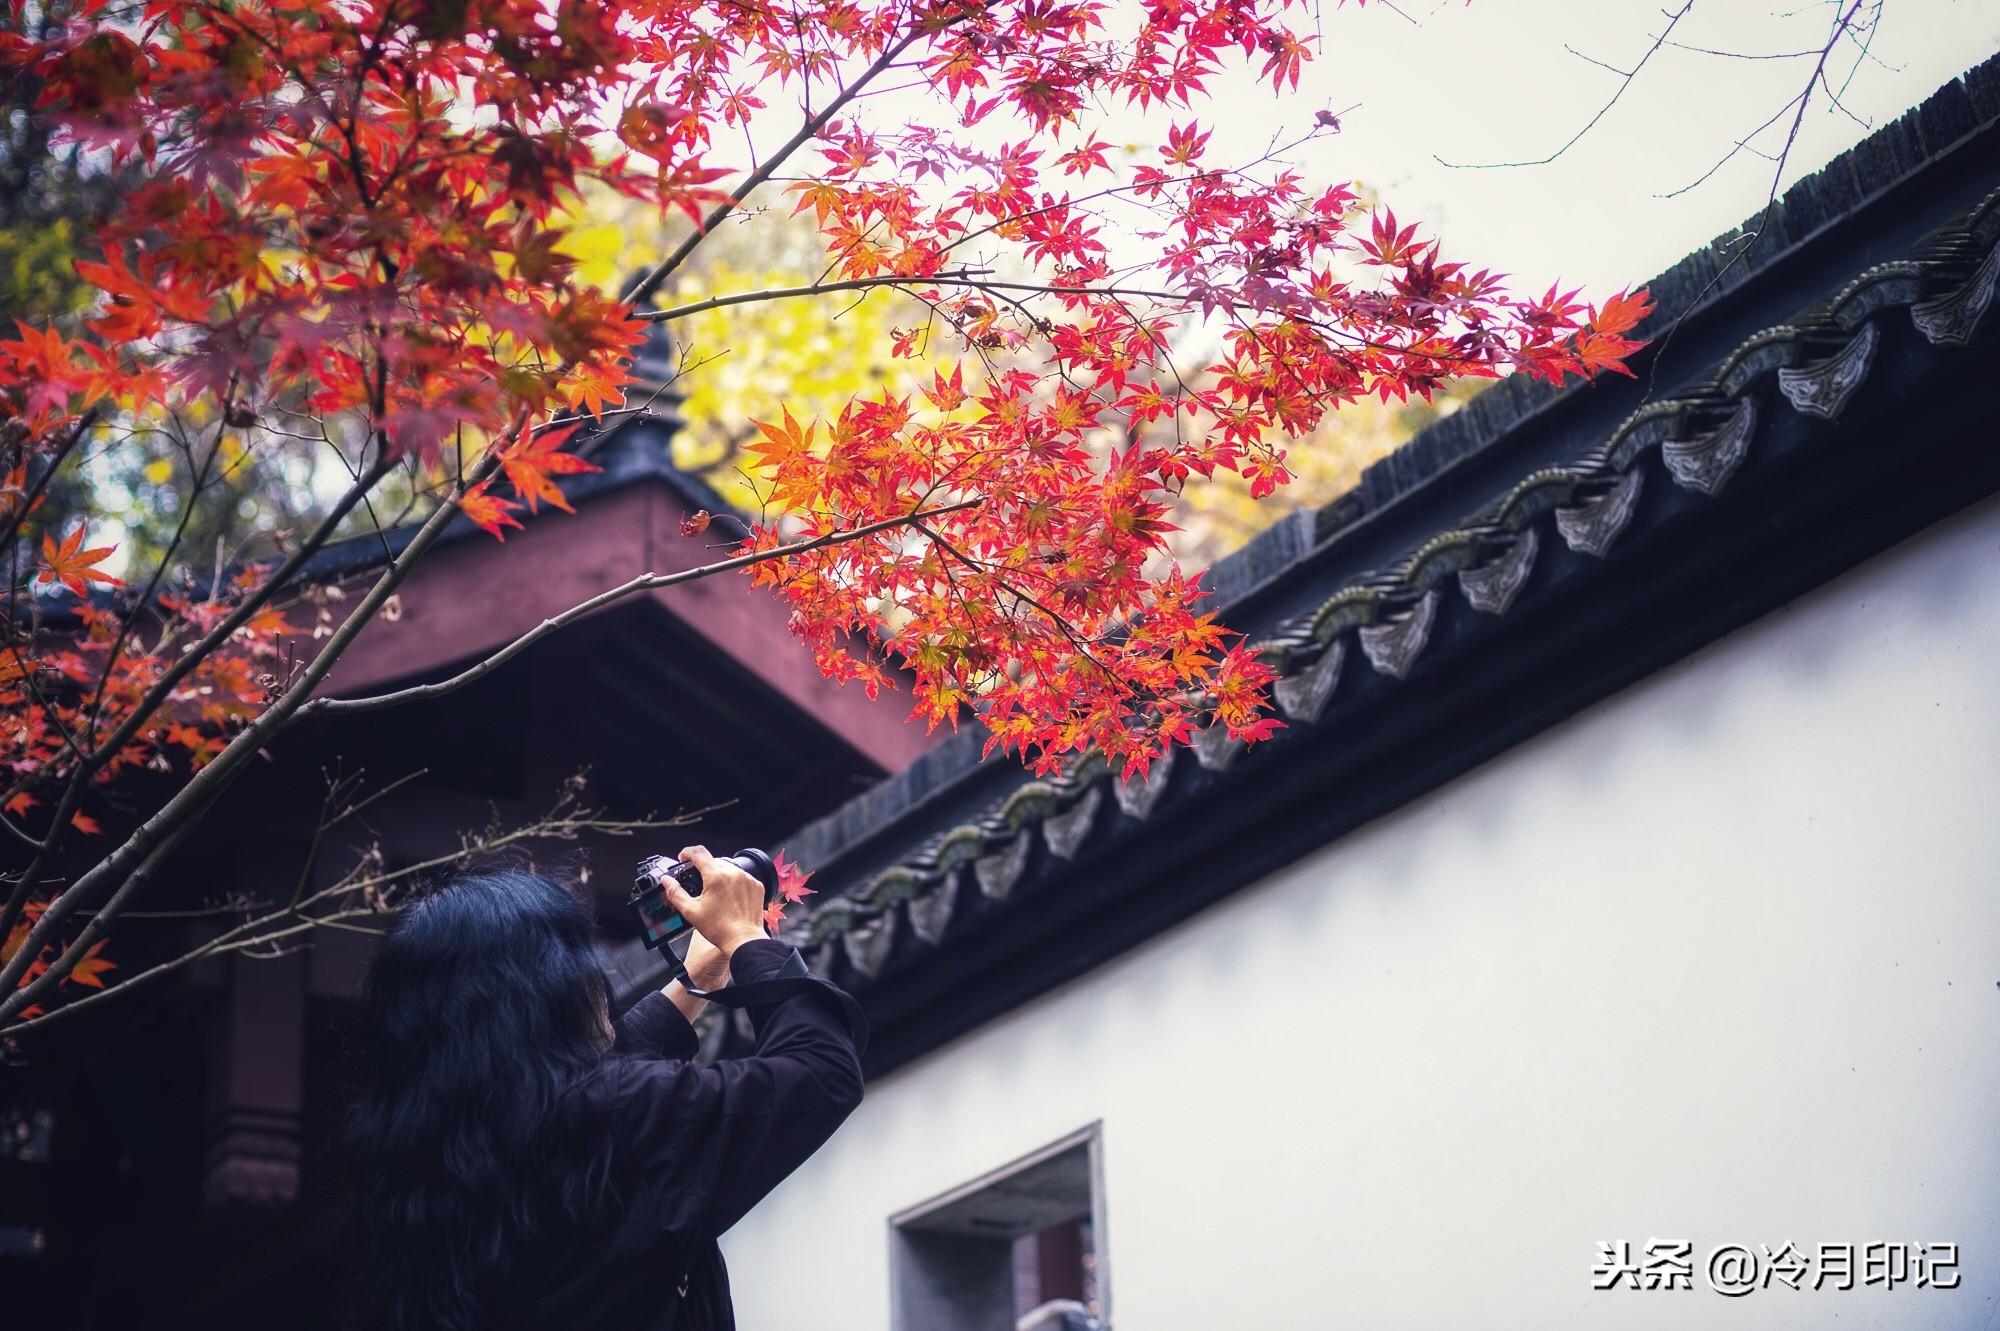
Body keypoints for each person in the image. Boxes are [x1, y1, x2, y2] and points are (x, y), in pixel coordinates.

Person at [345, 846, 865, 1331]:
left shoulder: (431, 1142)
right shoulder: (618, 1115)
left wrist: (701, 972)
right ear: (550, 988)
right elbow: (821, 1072)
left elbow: (583, 1091)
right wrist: (747, 939)